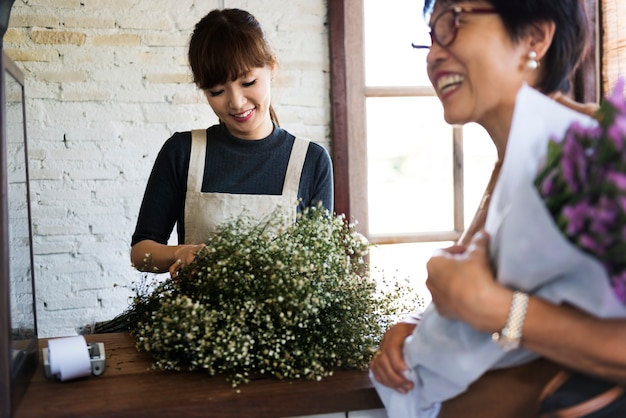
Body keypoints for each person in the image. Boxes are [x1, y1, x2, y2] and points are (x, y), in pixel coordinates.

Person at [370, 0, 626, 416]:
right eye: (431, 37)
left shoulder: (595, 155)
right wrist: (419, 323)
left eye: (453, 23)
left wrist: (501, 312)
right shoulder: (509, 164)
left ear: (534, 37)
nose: (434, 54)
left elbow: (497, 306)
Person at [130, 8, 333, 278]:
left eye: (248, 82)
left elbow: (319, 270)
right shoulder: (183, 152)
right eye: (217, 91)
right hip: (195, 319)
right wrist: (179, 253)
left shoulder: (310, 161)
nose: (236, 102)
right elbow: (141, 252)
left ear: (271, 69)